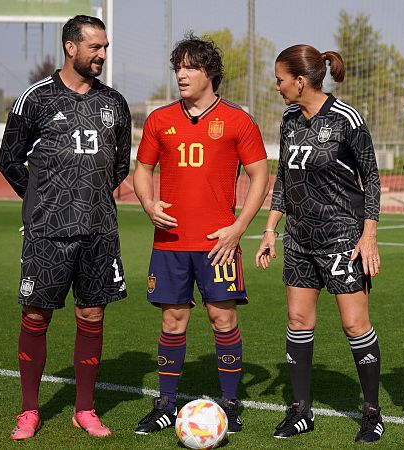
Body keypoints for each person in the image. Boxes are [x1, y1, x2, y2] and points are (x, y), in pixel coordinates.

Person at [0, 15, 131, 440]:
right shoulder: (35, 99)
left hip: (99, 230)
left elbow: (119, 165)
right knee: (36, 315)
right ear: (71, 47)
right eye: (95, 47)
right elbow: (10, 160)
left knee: (92, 314)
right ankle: (29, 411)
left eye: (105, 47)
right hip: (47, 232)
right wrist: (43, 201)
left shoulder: (115, 103)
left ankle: (85, 409)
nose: (102, 55)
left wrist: (85, 198)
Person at [132, 33, 269, 435]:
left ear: (210, 73)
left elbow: (260, 175)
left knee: (222, 319)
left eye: (190, 67)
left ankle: (229, 403)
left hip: (218, 245)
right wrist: (148, 203)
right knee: (172, 320)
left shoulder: (238, 120)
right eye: (178, 67)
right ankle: (165, 405)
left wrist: (239, 227)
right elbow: (142, 170)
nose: (181, 74)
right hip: (170, 244)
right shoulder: (160, 120)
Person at [255, 44, 384, 442]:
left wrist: (369, 237)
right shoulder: (289, 118)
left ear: (300, 80)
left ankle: (372, 412)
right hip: (298, 239)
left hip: (343, 238)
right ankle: (300, 411)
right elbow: (284, 176)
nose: (276, 87)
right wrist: (270, 229)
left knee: (353, 324)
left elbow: (373, 180)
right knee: (297, 322)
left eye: (280, 80)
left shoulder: (347, 119)